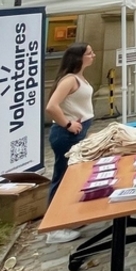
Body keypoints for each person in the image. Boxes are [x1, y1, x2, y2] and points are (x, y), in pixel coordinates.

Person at [44, 42, 96, 243]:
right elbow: (52, 106)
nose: (93, 56)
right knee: (62, 178)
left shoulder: (79, 78)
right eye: (89, 53)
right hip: (67, 135)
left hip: (77, 133)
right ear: (78, 57)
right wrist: (67, 124)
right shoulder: (69, 80)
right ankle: (54, 227)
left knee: (73, 177)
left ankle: (67, 217)